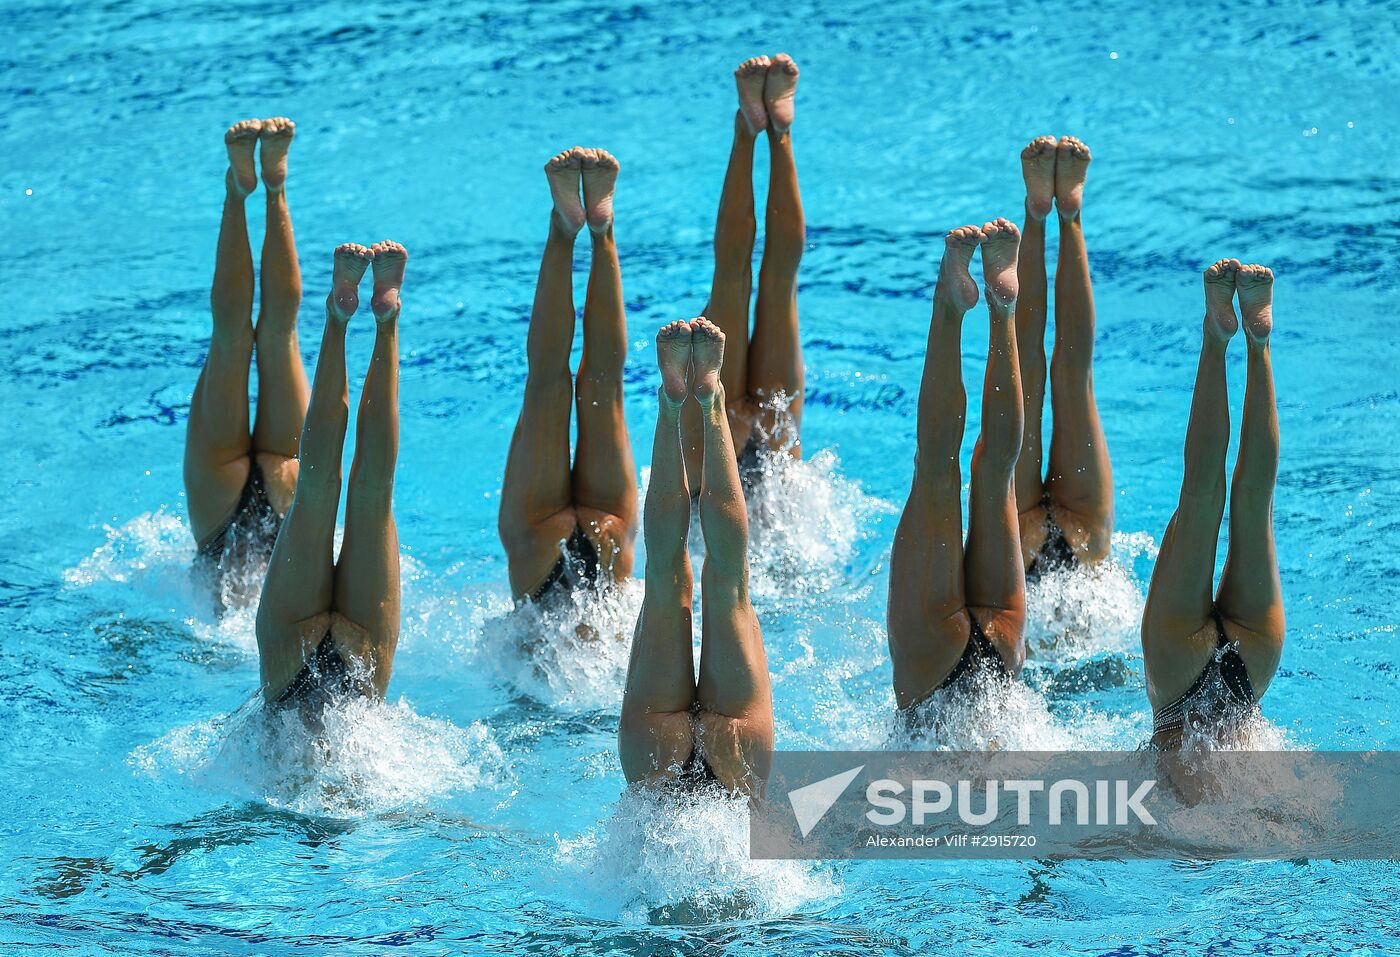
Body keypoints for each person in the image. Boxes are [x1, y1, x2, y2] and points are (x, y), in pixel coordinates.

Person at [619, 318, 774, 796]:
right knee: (728, 580)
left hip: (656, 750)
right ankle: (710, 401)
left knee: (667, 576)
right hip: (737, 755)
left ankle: (676, 405)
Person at [255, 241, 408, 707]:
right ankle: (368, 318)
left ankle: (371, 319)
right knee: (337, 490)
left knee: (342, 490)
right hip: (336, 684)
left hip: (290, 678)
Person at [886, 221, 1027, 713]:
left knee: (966, 474)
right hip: (986, 664)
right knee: (961, 473)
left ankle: (981, 308)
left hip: (983, 650)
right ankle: (990, 308)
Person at [1141, 260, 1283, 749]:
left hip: (1249, 657)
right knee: (1206, 496)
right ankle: (1232, 337)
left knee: (1243, 500)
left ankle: (1250, 344)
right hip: (1211, 677)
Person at [498, 148, 638, 604]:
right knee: (551, 384)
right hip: (568, 545)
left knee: (593, 383)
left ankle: (593, 228)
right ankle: (576, 227)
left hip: (598, 534)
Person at [186, 118, 307, 602]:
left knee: (252, 336)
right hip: (285, 509)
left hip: (223, 529)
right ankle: (266, 188)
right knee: (268, 335)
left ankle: (252, 188)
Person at [681, 54, 806, 485]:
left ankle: (759, 128)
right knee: (759, 282)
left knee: (755, 282)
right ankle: (771, 131)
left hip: (712, 462)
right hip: (762, 463)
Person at [1013, 135, 1114, 579]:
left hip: (1023, 540)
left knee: (1031, 373)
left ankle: (1045, 213)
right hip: (1079, 541)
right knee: (1059, 377)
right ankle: (1062, 215)